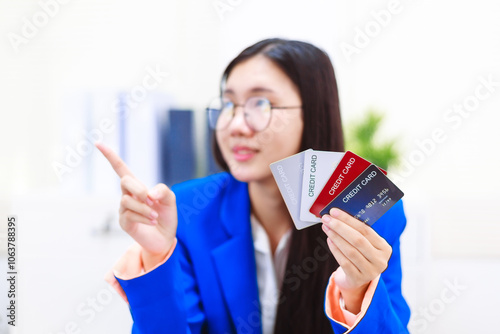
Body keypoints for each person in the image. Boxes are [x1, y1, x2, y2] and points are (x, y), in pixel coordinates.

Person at [97, 38, 410, 333]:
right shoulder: (186, 210)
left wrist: (357, 292)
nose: (235, 125)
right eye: (229, 104)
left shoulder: (371, 209)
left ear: (313, 113)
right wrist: (156, 257)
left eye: (261, 105)